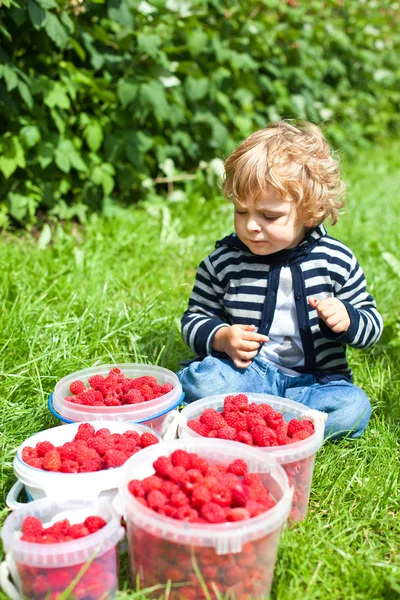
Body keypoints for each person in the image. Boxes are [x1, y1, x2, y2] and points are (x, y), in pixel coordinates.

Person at [177, 121, 383, 439]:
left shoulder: (336, 261)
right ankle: (275, 421)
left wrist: (347, 319)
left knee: (351, 408)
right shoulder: (225, 261)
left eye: (269, 216)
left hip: (317, 381)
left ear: (309, 211)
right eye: (241, 212)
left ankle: (267, 419)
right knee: (203, 381)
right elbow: (194, 318)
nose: (251, 226)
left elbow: (372, 324)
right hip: (249, 373)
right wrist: (221, 337)